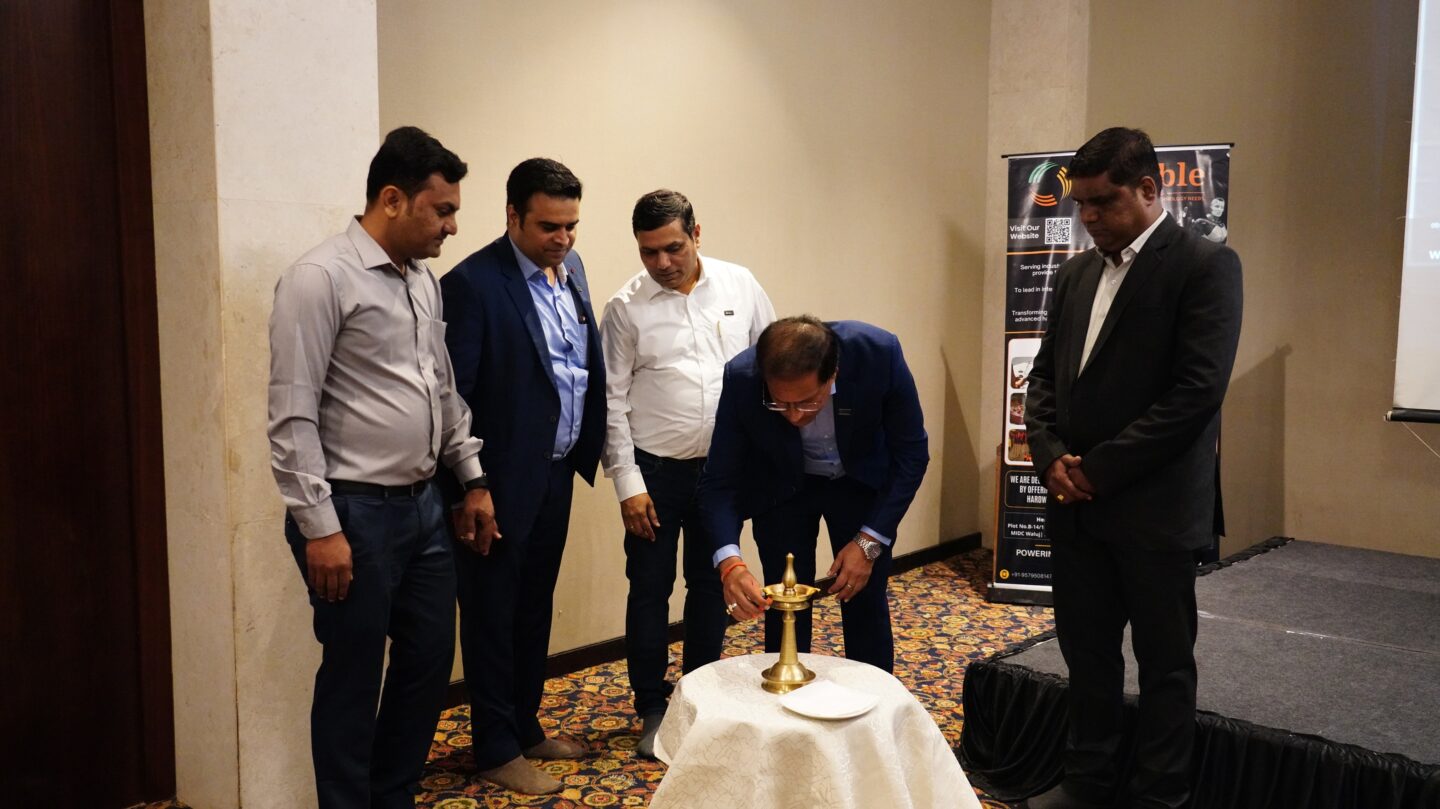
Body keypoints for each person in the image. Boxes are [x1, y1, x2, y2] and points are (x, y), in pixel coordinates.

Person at [268, 126, 496, 809]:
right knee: (353, 673)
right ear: (392, 199)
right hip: (352, 512)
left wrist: (473, 477)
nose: (453, 226)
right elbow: (291, 413)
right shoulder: (319, 278)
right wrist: (319, 527)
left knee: (427, 663)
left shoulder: (420, 281)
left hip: (425, 506)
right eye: (443, 209)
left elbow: (441, 389)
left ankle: (391, 794)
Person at [1021, 128, 1243, 809]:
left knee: (1164, 666)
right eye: (1079, 205)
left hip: (1155, 510)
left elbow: (1195, 392)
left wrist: (1098, 470)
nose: (1088, 218)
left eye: (1103, 202)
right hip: (1077, 508)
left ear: (1150, 189)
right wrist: (1053, 456)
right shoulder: (1075, 272)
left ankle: (1158, 794)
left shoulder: (1205, 265)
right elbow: (1043, 380)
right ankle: (1087, 782)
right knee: (1087, 657)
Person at [439, 158, 607, 795]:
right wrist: (471, 485)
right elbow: (455, 397)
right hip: (496, 482)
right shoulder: (473, 284)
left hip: (556, 473)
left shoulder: (574, 271)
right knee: (491, 612)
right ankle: (493, 747)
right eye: (547, 226)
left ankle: (525, 724)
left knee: (534, 605)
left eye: (570, 226)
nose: (561, 239)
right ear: (511, 216)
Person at [599, 189, 775, 757]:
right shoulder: (626, 307)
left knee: (709, 585)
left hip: (722, 473)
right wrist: (628, 485)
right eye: (649, 252)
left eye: (672, 247)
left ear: (697, 234)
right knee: (649, 590)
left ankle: (699, 693)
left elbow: (771, 368)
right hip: (654, 473)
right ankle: (651, 705)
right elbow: (610, 402)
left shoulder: (740, 285)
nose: (662, 263)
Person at [698, 316, 929, 673]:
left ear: (833, 374)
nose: (792, 416)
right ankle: (786, 698)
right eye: (780, 404)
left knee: (863, 598)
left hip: (859, 482)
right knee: (784, 598)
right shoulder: (742, 377)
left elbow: (912, 455)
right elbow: (718, 481)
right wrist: (729, 563)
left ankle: (872, 707)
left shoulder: (878, 354)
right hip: (783, 486)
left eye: (807, 402)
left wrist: (869, 542)